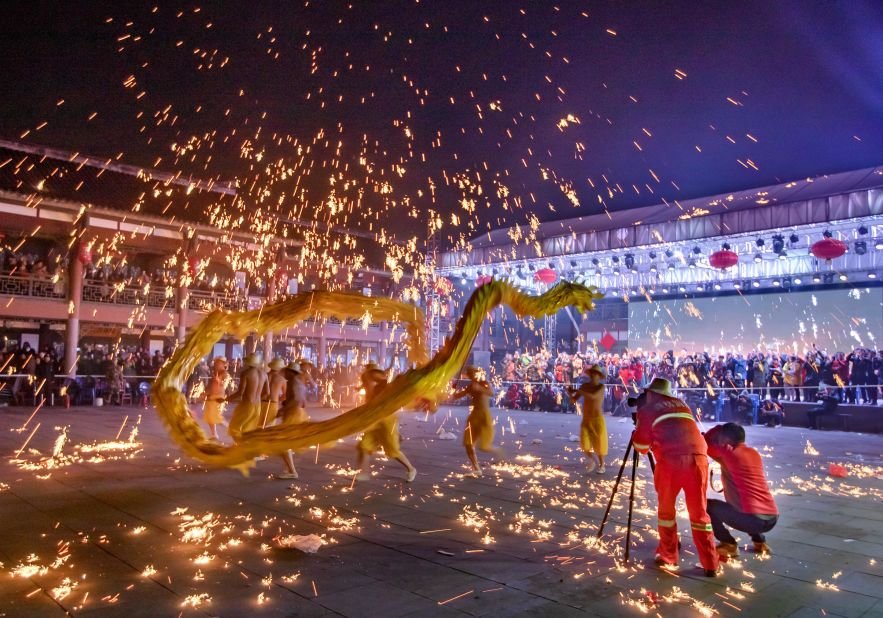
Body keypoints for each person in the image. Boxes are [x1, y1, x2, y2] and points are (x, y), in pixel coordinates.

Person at [632, 377, 720, 577]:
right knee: (700, 514)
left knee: (666, 512)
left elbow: (642, 447)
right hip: (699, 460)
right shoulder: (683, 405)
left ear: (651, 394)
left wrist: (637, 429)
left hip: (671, 462)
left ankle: (669, 555)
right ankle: (711, 563)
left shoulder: (647, 410)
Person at [704, 423, 778, 559]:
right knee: (749, 503)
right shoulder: (753, 453)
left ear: (725, 441)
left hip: (753, 520)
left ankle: (728, 544)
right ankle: (760, 543)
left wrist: (718, 428)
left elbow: (704, 443)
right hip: (771, 517)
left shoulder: (728, 454)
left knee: (707, 506)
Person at [355, 363, 417, 482]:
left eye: (372, 372)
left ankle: (411, 468)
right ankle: (364, 473)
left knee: (392, 450)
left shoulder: (379, 381)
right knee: (364, 445)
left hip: (387, 419)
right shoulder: (368, 380)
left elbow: (388, 386)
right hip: (374, 419)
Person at [452, 366, 502, 476]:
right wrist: (453, 389)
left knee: (484, 447)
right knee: (468, 443)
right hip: (474, 416)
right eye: (469, 374)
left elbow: (491, 393)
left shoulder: (484, 382)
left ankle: (498, 452)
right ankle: (476, 468)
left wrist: (479, 388)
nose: (471, 376)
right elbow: (456, 396)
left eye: (472, 374)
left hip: (484, 416)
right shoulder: (471, 386)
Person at [566, 364, 608, 474]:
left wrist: (578, 391)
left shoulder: (601, 387)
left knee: (599, 444)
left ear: (599, 376)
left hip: (597, 419)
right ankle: (592, 461)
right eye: (592, 373)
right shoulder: (584, 386)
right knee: (584, 444)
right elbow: (573, 401)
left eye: (596, 374)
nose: (594, 375)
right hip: (586, 419)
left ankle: (602, 464)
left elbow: (592, 396)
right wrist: (570, 394)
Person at [274, 361, 309, 480]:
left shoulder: (294, 382)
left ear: (290, 372)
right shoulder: (297, 382)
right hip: (296, 413)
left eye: (287, 371)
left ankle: (292, 471)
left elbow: (296, 400)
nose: (285, 373)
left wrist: (283, 409)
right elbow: (302, 401)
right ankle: (288, 467)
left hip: (293, 415)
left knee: (282, 444)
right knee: (284, 443)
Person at [226, 354, 266, 440]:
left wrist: (226, 399)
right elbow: (268, 392)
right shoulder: (264, 374)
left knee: (234, 428)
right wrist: (258, 398)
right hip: (258, 406)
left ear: (248, 363)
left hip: (247, 405)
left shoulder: (246, 373)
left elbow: (240, 393)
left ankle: (241, 448)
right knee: (248, 430)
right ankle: (246, 449)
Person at [203, 357, 229, 441]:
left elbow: (226, 384)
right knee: (209, 417)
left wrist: (220, 382)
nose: (215, 364)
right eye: (215, 363)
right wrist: (205, 393)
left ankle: (232, 431)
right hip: (211, 396)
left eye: (218, 363)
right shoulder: (215, 372)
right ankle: (214, 434)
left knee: (217, 417)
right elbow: (211, 385)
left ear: (223, 364)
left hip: (218, 397)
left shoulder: (225, 373)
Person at [261, 357, 287, 429]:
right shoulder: (281, 379)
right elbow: (285, 395)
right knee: (269, 426)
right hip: (273, 403)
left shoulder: (263, 376)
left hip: (260, 402)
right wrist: (278, 399)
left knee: (259, 425)